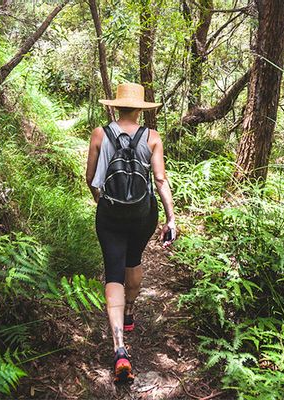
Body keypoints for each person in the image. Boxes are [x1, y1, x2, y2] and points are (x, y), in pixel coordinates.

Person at [85, 82, 176, 384]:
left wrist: (102, 202)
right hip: (142, 214)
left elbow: (91, 179)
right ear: (140, 109)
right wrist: (171, 218)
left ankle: (119, 349)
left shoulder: (100, 134)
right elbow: (160, 180)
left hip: (110, 213)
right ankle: (130, 311)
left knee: (113, 272)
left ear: (116, 106)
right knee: (133, 260)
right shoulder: (152, 137)